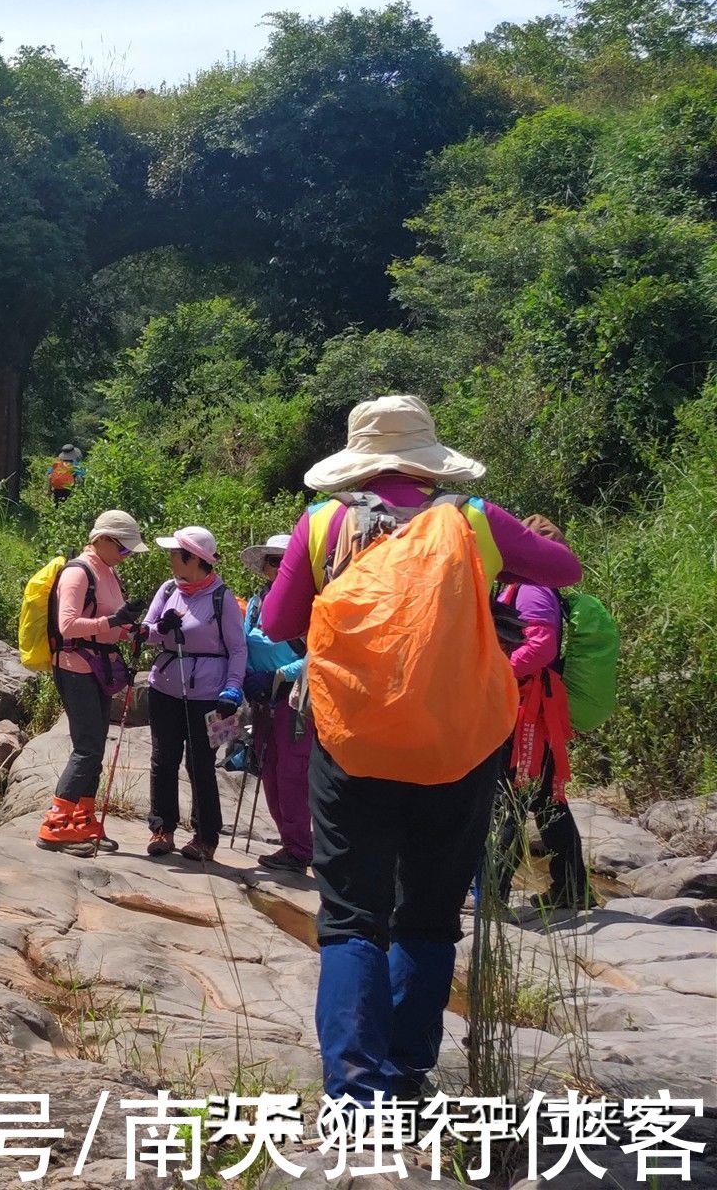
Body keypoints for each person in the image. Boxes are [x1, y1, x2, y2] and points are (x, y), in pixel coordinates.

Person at [259, 395, 582, 1103]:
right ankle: (407, 1074)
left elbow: (280, 619)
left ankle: (354, 1088)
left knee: (350, 914)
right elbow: (565, 570)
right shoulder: (471, 519)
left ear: (359, 459)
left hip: (350, 741)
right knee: (430, 912)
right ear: (429, 459)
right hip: (458, 744)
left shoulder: (324, 522)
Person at [487, 514, 589, 913]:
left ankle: (493, 893)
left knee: (513, 796)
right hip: (534, 708)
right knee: (546, 799)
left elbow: (542, 647)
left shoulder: (533, 589)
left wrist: (496, 677)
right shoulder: (532, 585)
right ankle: (572, 887)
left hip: (530, 711)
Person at [35, 509, 149, 848]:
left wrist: (137, 628)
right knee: (86, 749)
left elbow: (110, 623)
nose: (126, 556)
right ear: (102, 539)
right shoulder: (78, 573)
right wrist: (113, 621)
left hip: (97, 667)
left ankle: (82, 819)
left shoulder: (108, 572)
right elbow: (67, 625)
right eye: (124, 549)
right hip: (75, 667)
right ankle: (55, 826)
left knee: (95, 746)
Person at [141, 526, 247, 862]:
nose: (170, 558)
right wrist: (161, 629)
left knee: (201, 763)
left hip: (210, 697)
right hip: (165, 688)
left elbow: (238, 647)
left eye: (175, 553)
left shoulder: (222, 598)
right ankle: (162, 828)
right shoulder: (169, 588)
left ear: (193, 559)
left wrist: (233, 687)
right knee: (163, 758)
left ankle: (205, 836)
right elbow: (146, 633)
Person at [242, 532, 313, 874]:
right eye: (271, 560)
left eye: (282, 560)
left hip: (295, 698)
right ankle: (291, 843)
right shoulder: (257, 602)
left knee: (292, 774)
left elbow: (317, 653)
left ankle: (300, 848)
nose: (275, 567)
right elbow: (243, 643)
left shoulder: (309, 604)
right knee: (267, 769)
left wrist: (280, 676)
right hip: (260, 698)